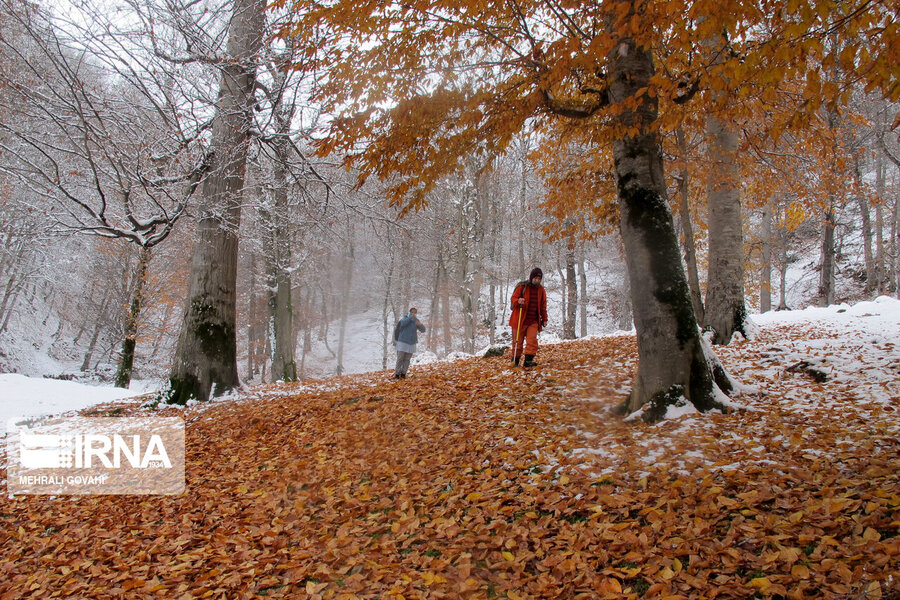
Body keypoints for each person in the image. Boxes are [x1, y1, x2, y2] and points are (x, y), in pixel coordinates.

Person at [509, 267, 548, 367]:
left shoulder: (541, 290)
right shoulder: (522, 287)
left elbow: (543, 305)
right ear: (531, 277)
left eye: (539, 279)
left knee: (532, 341)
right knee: (518, 341)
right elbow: (513, 298)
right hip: (520, 319)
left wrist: (545, 318)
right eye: (535, 278)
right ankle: (515, 361)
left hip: (533, 320)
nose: (537, 280)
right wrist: (518, 301)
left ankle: (528, 360)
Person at [393, 307, 426, 379]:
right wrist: (410, 318)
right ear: (410, 312)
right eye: (412, 312)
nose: (413, 314)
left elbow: (423, 330)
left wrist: (420, 325)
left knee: (407, 359)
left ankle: (403, 373)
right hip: (402, 341)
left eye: (415, 312)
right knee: (400, 358)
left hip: (411, 343)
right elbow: (403, 324)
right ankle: (397, 374)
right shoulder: (404, 318)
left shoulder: (416, 321)